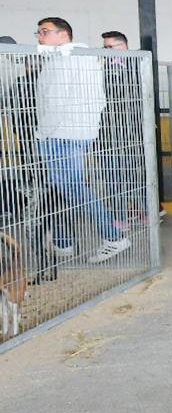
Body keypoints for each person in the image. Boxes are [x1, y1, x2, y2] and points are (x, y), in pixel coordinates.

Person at [34, 16, 132, 263]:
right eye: (38, 32)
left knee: (72, 189)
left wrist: (42, 133)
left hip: (62, 134)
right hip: (72, 133)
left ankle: (112, 236)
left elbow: (54, 103)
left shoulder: (67, 62)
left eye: (45, 31)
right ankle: (64, 241)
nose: (39, 36)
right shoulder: (74, 59)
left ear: (63, 34)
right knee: (65, 189)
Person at [96, 30, 145, 225]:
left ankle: (145, 212)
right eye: (104, 48)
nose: (106, 52)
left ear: (123, 47)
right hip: (108, 134)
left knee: (137, 174)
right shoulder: (99, 69)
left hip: (134, 134)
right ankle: (120, 217)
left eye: (109, 47)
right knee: (112, 176)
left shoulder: (139, 66)